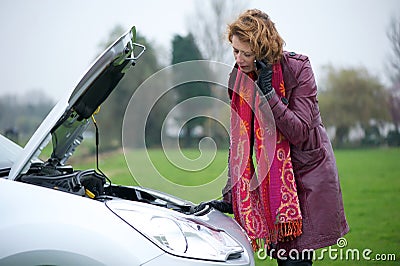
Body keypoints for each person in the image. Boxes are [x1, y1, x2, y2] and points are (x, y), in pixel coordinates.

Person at [195, 9, 349, 265]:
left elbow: (299, 131)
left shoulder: (299, 69)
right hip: (269, 185)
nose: (239, 59)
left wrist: (268, 93)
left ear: (263, 49)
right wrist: (231, 195)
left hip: (304, 180)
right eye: (235, 51)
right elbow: (240, 145)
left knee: (294, 262)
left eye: (247, 53)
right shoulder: (238, 79)